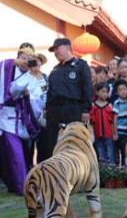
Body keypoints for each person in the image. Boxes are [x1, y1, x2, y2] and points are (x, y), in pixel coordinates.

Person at [0, 47, 43, 194]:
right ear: (18, 58)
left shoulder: (34, 76)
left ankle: (14, 185)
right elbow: (11, 91)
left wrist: (28, 95)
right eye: (23, 58)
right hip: (6, 120)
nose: (26, 61)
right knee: (14, 154)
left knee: (18, 155)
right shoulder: (7, 69)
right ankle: (23, 187)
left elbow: (38, 99)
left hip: (24, 121)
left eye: (29, 59)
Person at [44, 38, 93, 159]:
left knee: (72, 144)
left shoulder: (81, 66)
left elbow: (87, 88)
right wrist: (47, 109)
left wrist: (86, 110)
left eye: (57, 48)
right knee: (51, 145)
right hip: (54, 112)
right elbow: (50, 92)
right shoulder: (55, 70)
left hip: (73, 110)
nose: (55, 52)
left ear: (68, 47)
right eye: (54, 50)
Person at [90, 82, 115, 164]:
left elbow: (112, 121)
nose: (105, 94)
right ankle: (103, 172)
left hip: (108, 134)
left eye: (106, 92)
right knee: (101, 155)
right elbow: (91, 122)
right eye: (102, 91)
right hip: (97, 134)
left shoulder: (109, 106)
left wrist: (114, 133)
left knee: (110, 154)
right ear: (97, 92)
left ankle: (111, 172)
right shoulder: (93, 106)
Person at [112, 80, 127, 165]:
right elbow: (115, 118)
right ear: (117, 92)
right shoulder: (117, 103)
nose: (123, 92)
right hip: (120, 131)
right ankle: (118, 169)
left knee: (126, 152)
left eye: (124, 89)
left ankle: (124, 169)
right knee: (118, 151)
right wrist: (115, 133)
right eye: (120, 90)